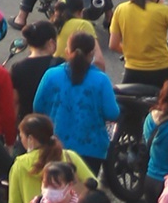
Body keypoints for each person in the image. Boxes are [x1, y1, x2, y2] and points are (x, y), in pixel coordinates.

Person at [34, 29, 120, 170]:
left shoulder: (51, 75)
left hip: (56, 146)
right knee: (84, 190)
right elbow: (112, 113)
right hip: (92, 149)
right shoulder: (101, 80)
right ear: (91, 54)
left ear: (68, 51)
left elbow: (38, 107)